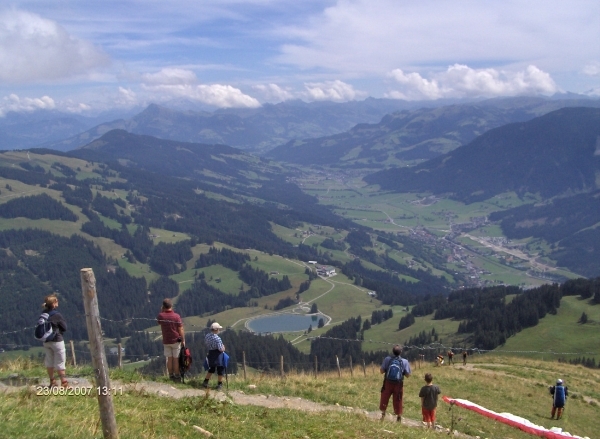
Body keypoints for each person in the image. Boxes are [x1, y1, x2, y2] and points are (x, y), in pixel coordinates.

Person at [41, 294, 69, 388]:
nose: (58, 302)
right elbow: (64, 328)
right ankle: (64, 383)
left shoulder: (44, 314)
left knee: (50, 361)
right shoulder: (57, 315)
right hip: (57, 340)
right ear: (53, 303)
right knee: (60, 362)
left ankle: (52, 381)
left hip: (46, 341)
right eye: (56, 301)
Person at [379, 344, 411, 422]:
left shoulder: (387, 359)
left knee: (385, 397)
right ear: (401, 352)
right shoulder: (404, 361)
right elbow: (408, 375)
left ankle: (383, 414)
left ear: (393, 352)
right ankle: (398, 416)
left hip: (388, 382)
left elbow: (381, 371)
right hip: (398, 384)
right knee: (398, 399)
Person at [157, 298, 185, 382]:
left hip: (166, 340)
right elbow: (180, 329)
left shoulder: (161, 316)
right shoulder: (176, 316)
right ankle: (177, 376)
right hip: (175, 340)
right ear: (171, 306)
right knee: (176, 359)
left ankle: (171, 375)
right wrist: (183, 339)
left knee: (169, 359)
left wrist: (162, 311)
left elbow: (159, 322)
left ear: (163, 306)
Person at [202, 322, 226, 390]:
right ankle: (219, 384)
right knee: (220, 369)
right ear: (216, 330)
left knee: (211, 368)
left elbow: (206, 343)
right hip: (218, 354)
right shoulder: (217, 338)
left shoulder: (207, 336)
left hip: (211, 353)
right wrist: (224, 348)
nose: (219, 330)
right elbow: (220, 349)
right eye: (218, 329)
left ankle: (205, 382)